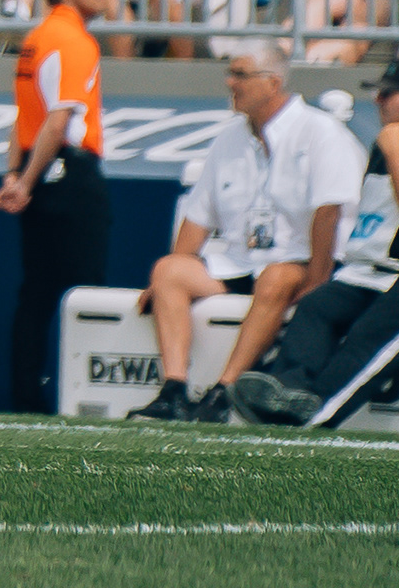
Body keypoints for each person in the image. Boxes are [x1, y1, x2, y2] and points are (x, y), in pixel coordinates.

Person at [131, 39, 367, 421]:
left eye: (239, 74)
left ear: (273, 82)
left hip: (301, 261)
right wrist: (163, 283)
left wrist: (318, 282)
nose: (229, 82)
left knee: (274, 278)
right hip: (241, 261)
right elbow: (198, 217)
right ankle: (174, 389)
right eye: (230, 73)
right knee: (169, 270)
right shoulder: (230, 139)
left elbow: (330, 212)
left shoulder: (320, 132)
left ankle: (225, 390)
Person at [231, 54, 399, 426]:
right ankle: (287, 389)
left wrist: (396, 152)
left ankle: (317, 413)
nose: (378, 101)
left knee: (369, 339)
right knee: (316, 307)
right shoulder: (388, 143)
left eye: (388, 95)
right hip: (369, 271)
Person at [0, 0, 117, 417]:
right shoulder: (74, 41)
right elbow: (58, 120)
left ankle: (25, 397)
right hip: (67, 174)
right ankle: (81, 397)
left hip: (39, 168)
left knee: (37, 294)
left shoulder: (38, 38)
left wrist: (15, 173)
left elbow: (23, 118)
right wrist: (25, 181)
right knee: (83, 290)